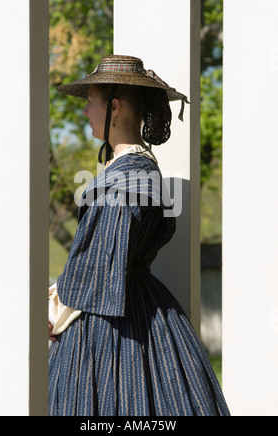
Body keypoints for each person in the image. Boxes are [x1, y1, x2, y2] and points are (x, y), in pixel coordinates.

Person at [48, 54, 230, 416]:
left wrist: (53, 314)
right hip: (140, 307)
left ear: (114, 107)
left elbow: (96, 268)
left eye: (90, 103)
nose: (85, 112)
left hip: (108, 318)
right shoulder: (139, 171)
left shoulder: (125, 179)